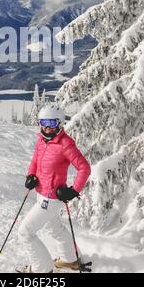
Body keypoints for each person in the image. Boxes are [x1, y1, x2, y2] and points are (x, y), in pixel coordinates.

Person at [17, 103, 91, 273]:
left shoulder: (65, 144)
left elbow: (84, 168)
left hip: (52, 198)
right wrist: (31, 176)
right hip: (41, 193)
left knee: (25, 232)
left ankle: (42, 269)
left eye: (51, 123)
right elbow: (35, 161)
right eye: (43, 123)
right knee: (54, 227)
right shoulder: (41, 141)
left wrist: (73, 191)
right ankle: (69, 260)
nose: (47, 127)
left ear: (59, 123)